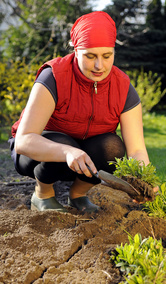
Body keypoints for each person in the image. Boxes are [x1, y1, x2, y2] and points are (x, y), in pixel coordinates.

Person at [8, 11, 157, 213]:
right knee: (63, 142)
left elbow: (137, 150)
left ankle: (78, 195)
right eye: (90, 56)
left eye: (107, 56)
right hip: (37, 153)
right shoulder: (53, 77)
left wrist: (145, 181)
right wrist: (68, 152)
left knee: (113, 148)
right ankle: (43, 193)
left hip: (83, 157)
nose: (99, 66)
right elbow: (24, 141)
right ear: (75, 50)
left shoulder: (123, 87)